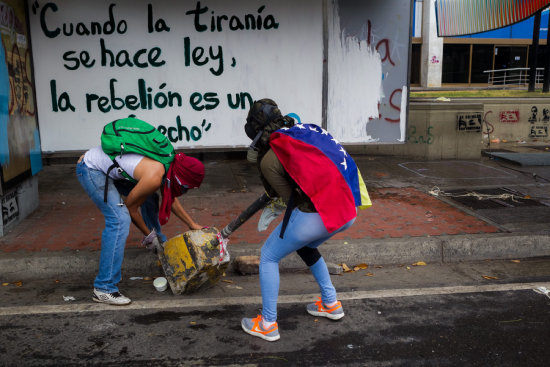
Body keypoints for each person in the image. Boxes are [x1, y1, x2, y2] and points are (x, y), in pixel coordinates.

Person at [240, 99, 371, 341]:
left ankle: (268, 323)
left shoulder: (269, 159)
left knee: (269, 255)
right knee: (306, 246)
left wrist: (276, 207)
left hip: (319, 212)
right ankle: (331, 303)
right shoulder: (305, 129)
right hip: (348, 208)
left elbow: (290, 199)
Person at [76, 134, 205, 306]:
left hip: (113, 169)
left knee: (150, 196)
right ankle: (104, 288)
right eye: (185, 186)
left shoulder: (168, 161)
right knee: (119, 219)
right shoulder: (155, 174)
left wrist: (191, 224)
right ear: (181, 177)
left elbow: (169, 197)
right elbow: (130, 208)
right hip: (92, 169)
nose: (183, 190)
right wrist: (148, 236)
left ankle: (159, 245)